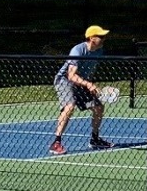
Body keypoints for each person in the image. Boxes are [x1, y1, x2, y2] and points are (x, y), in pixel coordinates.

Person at [49, 25, 115, 155]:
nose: (104, 39)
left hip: (81, 83)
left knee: (98, 107)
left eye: (104, 36)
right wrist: (88, 84)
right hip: (64, 80)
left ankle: (95, 139)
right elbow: (71, 75)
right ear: (91, 38)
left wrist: (91, 86)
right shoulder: (78, 50)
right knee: (69, 106)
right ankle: (56, 142)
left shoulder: (99, 51)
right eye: (100, 36)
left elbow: (88, 71)